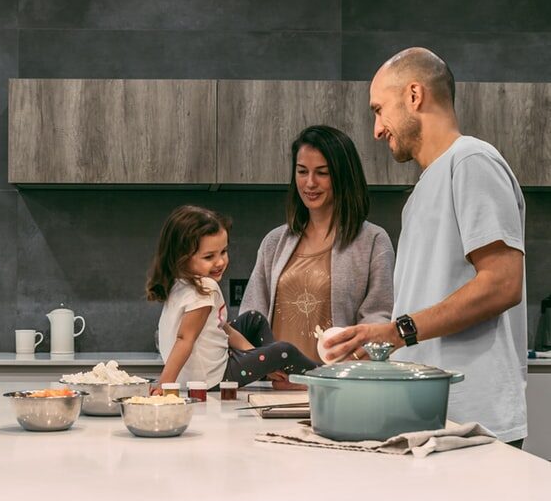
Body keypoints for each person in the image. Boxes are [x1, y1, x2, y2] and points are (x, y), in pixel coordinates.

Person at [324, 47, 527, 445]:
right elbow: (423, 313)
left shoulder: (471, 161)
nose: (377, 130)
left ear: (414, 96)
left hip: (472, 422)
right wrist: (379, 344)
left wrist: (398, 332)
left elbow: (503, 284)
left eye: (379, 110)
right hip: (430, 417)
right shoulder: (421, 192)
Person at [239, 125, 394, 386]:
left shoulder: (373, 241)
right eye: (302, 172)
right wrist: (258, 363)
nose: (310, 183)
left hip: (337, 390)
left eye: (322, 173)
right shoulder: (274, 242)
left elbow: (378, 320)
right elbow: (251, 316)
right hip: (273, 390)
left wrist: (352, 359)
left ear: (344, 177)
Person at [146, 205, 318, 392]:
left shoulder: (178, 283)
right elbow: (184, 339)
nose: (220, 262)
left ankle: (277, 372)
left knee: (254, 319)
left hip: (199, 373)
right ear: (181, 257)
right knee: (284, 350)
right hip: (213, 378)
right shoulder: (205, 287)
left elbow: (224, 329)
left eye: (223, 252)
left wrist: (259, 359)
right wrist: (164, 384)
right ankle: (323, 377)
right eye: (209, 256)